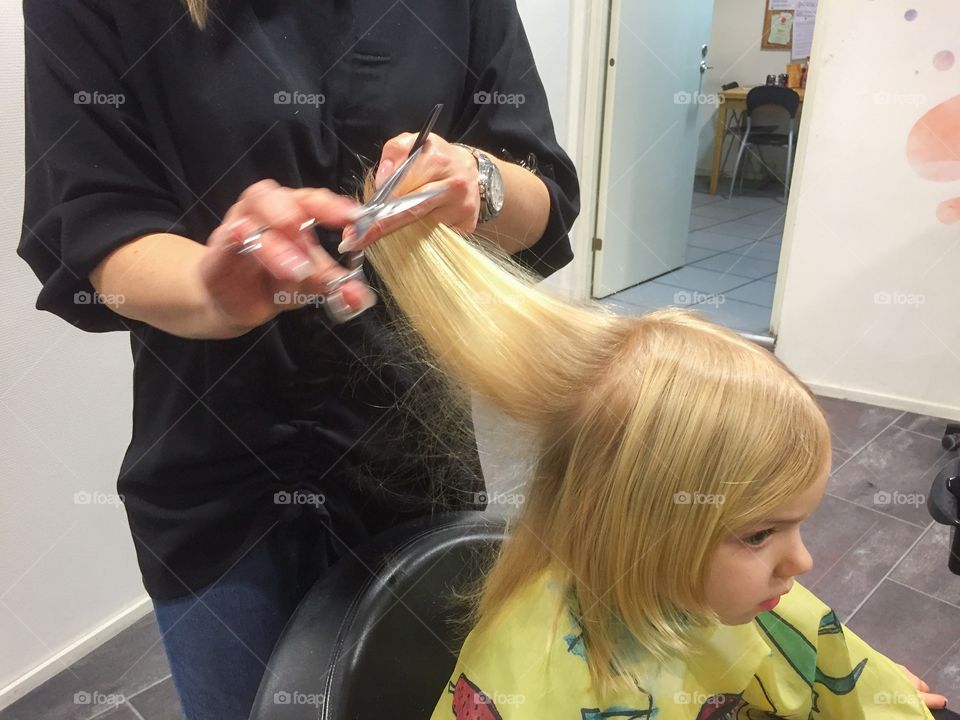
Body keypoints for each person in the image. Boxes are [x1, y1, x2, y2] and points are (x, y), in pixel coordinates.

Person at [17, 1, 578, 718]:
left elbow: (545, 202)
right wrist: (211, 292)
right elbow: (97, 227)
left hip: (418, 468)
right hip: (215, 480)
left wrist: (480, 182)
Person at [354, 211, 954, 718]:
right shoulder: (531, 678)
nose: (801, 561)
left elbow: (830, 663)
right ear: (634, 525)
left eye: (796, 526)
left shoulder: (733, 596)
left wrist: (879, 690)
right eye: (760, 534)